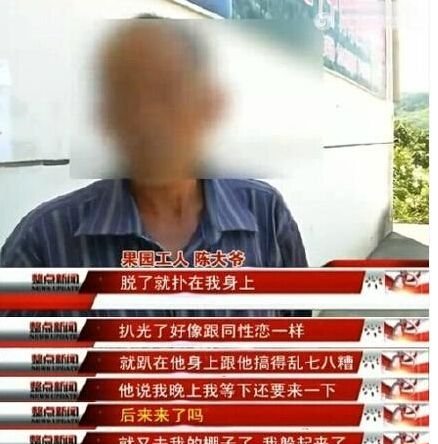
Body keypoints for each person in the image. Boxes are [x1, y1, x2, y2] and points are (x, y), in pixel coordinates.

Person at [0, 18, 309, 317]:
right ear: (104, 115)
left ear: (210, 104)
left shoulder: (266, 214)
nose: (148, 119)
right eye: (127, 95)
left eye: (167, 91)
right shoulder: (43, 244)